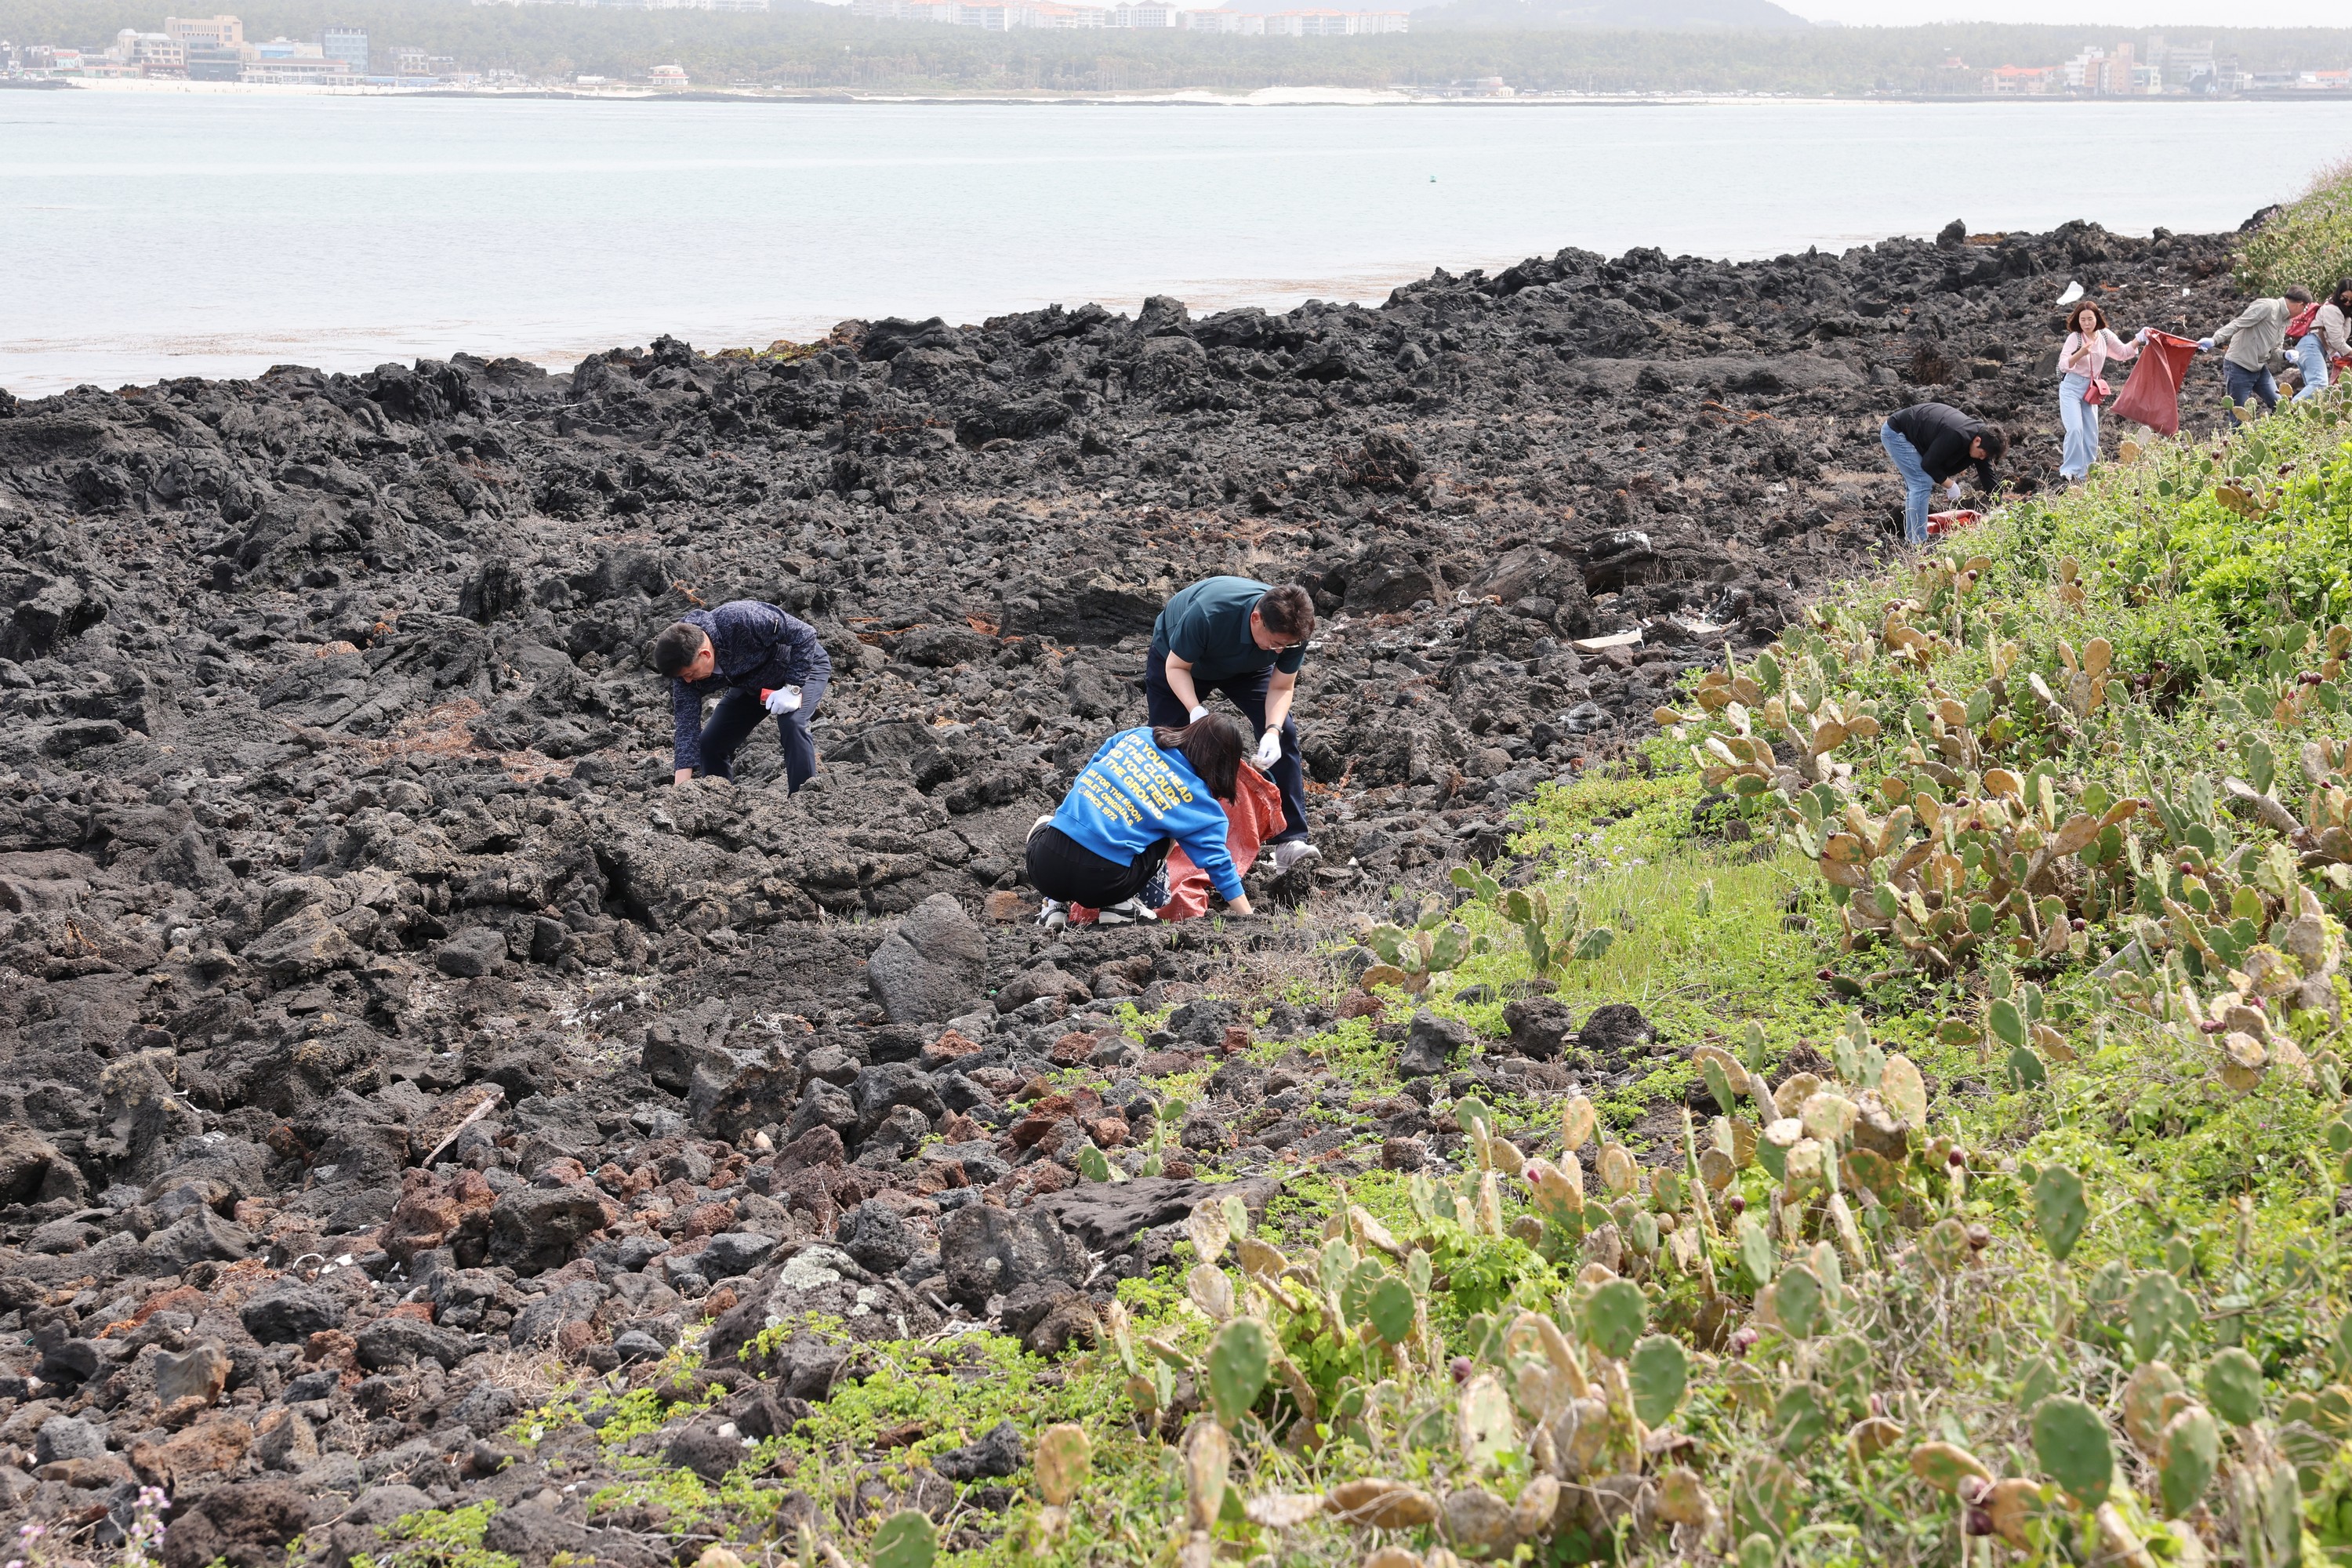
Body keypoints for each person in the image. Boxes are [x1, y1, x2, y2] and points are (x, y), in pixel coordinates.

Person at [1146, 576, 1319, 875]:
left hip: (1247, 668)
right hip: (1180, 661)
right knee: (1167, 746)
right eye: (1277, 644)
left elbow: (1281, 687)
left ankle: (1290, 843)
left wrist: (1273, 732)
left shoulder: (1291, 632)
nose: (1281, 651)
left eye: (1286, 646)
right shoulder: (1208, 614)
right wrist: (1195, 711)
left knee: (1287, 734)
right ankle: (1154, 848)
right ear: (1256, 619)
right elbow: (1176, 668)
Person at [1029, 716, 1255, 929]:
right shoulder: (1199, 801)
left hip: (1045, 868)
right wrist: (1249, 918)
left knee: (1046, 820)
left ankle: (1053, 905)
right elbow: (1220, 866)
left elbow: (1086, 777)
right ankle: (1120, 906)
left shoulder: (1138, 736)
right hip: (1103, 884)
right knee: (1167, 837)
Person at [652, 601, 833, 792]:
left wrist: (793, 687)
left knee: (792, 723)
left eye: (690, 674)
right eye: (683, 677)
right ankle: (718, 800)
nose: (688, 681)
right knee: (710, 743)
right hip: (752, 684)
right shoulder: (683, 670)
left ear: (705, 654)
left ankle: (804, 798)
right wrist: (680, 790)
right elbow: (686, 727)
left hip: (802, 665)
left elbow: (805, 634)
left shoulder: (741, 619)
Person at [1878, 402, 2008, 545]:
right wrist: (1950, 485)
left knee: (1917, 485)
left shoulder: (1982, 439)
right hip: (1896, 433)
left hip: (1916, 434)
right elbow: (1928, 464)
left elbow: (1986, 473)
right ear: (1978, 441)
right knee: (1922, 482)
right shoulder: (1956, 434)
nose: (1982, 458)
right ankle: (1918, 543)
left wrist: (1998, 506)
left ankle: (1912, 540)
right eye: (1982, 454)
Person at [2055, 302, 2144, 482]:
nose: (2086, 323)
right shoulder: (2075, 338)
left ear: (2097, 319)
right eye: (2082, 320)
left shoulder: (2104, 335)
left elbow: (2123, 353)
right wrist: (2081, 352)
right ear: (2077, 321)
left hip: (2091, 388)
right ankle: (2070, 470)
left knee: (2091, 433)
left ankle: (2087, 472)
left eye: (2090, 319)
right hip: (2071, 387)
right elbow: (2064, 364)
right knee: (2075, 429)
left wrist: (2140, 338)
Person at [2199, 287, 2312, 412]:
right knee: (2239, 415)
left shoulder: (2285, 321)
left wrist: (2286, 354)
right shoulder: (2268, 306)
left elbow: (2274, 351)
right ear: (2300, 304)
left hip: (2260, 368)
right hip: (2239, 367)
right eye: (2305, 308)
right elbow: (2238, 323)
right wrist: (2214, 340)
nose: (2304, 312)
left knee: (2280, 406)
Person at [2291, 279, 2351, 403]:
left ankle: (2293, 415)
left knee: (2315, 392)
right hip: (2311, 346)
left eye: (2351, 300)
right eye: (2344, 298)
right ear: (2338, 294)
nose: (2347, 303)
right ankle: (2287, 412)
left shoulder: (2341, 311)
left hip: (2311, 347)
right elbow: (2336, 341)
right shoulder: (2333, 310)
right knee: (2319, 384)